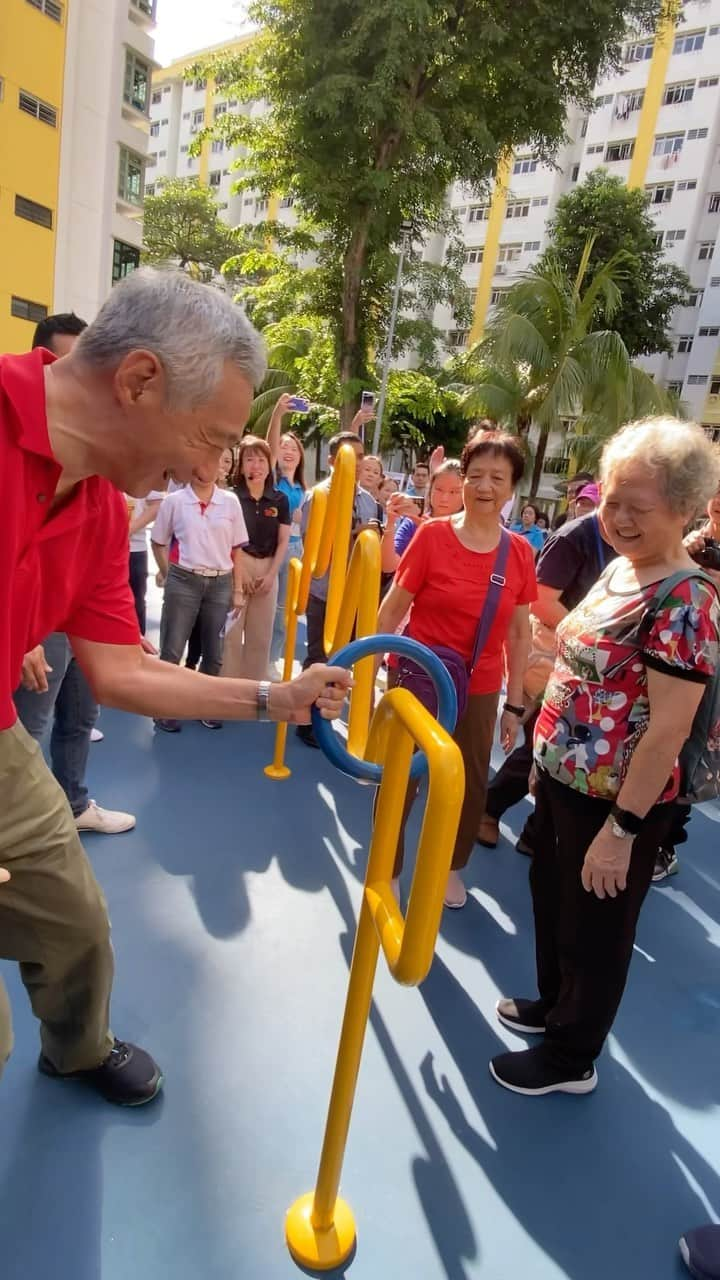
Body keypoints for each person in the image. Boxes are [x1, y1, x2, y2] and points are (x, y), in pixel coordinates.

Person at [0, 266, 350, 1105]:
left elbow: (121, 669)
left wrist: (273, 697)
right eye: (214, 438)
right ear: (139, 380)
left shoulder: (92, 508)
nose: (222, 465)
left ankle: (78, 1048)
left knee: (76, 918)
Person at [490, 417, 720, 1098]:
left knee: (597, 927)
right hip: (565, 776)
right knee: (553, 899)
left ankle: (571, 1058)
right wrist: (541, 756)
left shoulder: (685, 598)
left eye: (636, 507)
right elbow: (576, 668)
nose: (616, 518)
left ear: (682, 509)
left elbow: (667, 729)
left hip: (619, 798)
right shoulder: (621, 568)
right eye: (609, 500)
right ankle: (552, 1005)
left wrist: (622, 832)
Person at [376, 431, 536, 908]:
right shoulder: (432, 535)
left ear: (512, 489)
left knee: (466, 784)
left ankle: (449, 866)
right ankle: (387, 867)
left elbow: (520, 633)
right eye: (476, 475)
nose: (484, 486)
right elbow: (393, 607)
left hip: (481, 687)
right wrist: (367, 672)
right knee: (401, 778)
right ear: (463, 480)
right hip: (418, 677)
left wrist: (515, 704)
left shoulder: (520, 552)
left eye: (498, 478)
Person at [13, 312, 135, 837]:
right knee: (29, 726)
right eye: (68, 367)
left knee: (79, 716)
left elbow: (121, 672)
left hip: (63, 624)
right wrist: (20, 636)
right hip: (36, 634)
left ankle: (73, 803)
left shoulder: (101, 499)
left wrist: (271, 699)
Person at [478, 506, 615, 856]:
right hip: (561, 656)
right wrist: (591, 640)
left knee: (557, 749)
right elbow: (539, 600)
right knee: (544, 745)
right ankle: (490, 808)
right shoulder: (576, 537)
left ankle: (535, 830)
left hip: (594, 663)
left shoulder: (634, 539)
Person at [151, 458, 249, 731]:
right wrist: (169, 573)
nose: (207, 468)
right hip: (184, 579)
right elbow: (158, 541)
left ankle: (205, 705)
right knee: (172, 648)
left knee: (214, 652)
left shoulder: (230, 502)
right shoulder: (175, 501)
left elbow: (237, 549)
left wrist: (237, 589)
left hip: (220, 583)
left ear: (223, 468)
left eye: (216, 462)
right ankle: (164, 708)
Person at [297, 430, 380, 747]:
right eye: (350, 457)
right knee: (319, 657)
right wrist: (354, 533)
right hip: (325, 593)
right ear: (333, 460)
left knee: (351, 660)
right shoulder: (318, 496)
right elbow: (314, 548)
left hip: (356, 595)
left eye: (361, 457)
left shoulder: (369, 501)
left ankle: (334, 719)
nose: (357, 464)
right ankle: (308, 720)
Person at [222, 435, 291, 681]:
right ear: (241, 466)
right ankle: (225, 688)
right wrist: (239, 581)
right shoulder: (231, 497)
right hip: (237, 564)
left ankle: (251, 691)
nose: (256, 466)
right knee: (231, 634)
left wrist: (271, 575)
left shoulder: (279, 499)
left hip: (268, 567)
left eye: (261, 460)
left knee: (260, 635)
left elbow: (284, 540)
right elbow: (229, 541)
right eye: (250, 460)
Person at [264, 395, 307, 667]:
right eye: (283, 446)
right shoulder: (271, 479)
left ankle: (270, 660)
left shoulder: (304, 490)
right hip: (269, 548)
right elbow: (269, 447)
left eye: (294, 448)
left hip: (294, 550)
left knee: (282, 613)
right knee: (262, 609)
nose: (288, 451)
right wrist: (278, 414)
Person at [185, 446, 235, 672]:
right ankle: (189, 664)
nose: (222, 466)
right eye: (219, 460)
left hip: (222, 575)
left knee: (213, 633)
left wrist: (239, 585)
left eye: (227, 461)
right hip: (189, 574)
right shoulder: (186, 495)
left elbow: (237, 543)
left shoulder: (232, 498)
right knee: (192, 626)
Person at [381, 459, 464, 573]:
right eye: (439, 489)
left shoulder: (470, 529)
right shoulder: (413, 523)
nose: (444, 498)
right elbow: (388, 566)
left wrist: (431, 533)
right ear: (430, 489)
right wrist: (390, 522)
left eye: (453, 492)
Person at [128, 489, 165, 633]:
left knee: (134, 604)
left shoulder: (142, 468)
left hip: (134, 549)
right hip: (97, 547)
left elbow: (157, 503)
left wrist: (128, 529)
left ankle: (136, 650)